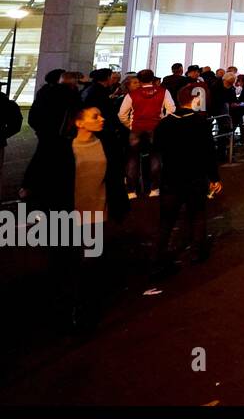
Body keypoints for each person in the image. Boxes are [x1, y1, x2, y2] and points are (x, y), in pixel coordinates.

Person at [49, 106, 129, 331]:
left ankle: (84, 309)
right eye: (95, 116)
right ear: (79, 123)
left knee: (91, 263)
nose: (102, 119)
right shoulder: (63, 147)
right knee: (66, 262)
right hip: (67, 213)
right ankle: (65, 307)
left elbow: (114, 176)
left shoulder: (107, 144)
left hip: (96, 212)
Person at [151, 88, 222, 276]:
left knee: (166, 220)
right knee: (197, 213)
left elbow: (157, 150)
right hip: (195, 176)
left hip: (171, 177)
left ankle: (158, 257)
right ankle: (197, 251)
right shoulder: (200, 123)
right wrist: (214, 177)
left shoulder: (165, 123)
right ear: (194, 99)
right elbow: (209, 153)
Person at [117, 69, 175, 198]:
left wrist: (129, 124)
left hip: (136, 128)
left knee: (132, 158)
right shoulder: (163, 92)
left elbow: (122, 114)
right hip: (155, 128)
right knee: (155, 157)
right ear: (153, 78)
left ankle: (131, 191)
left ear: (140, 79)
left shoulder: (132, 94)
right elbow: (171, 110)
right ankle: (154, 189)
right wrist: (161, 122)